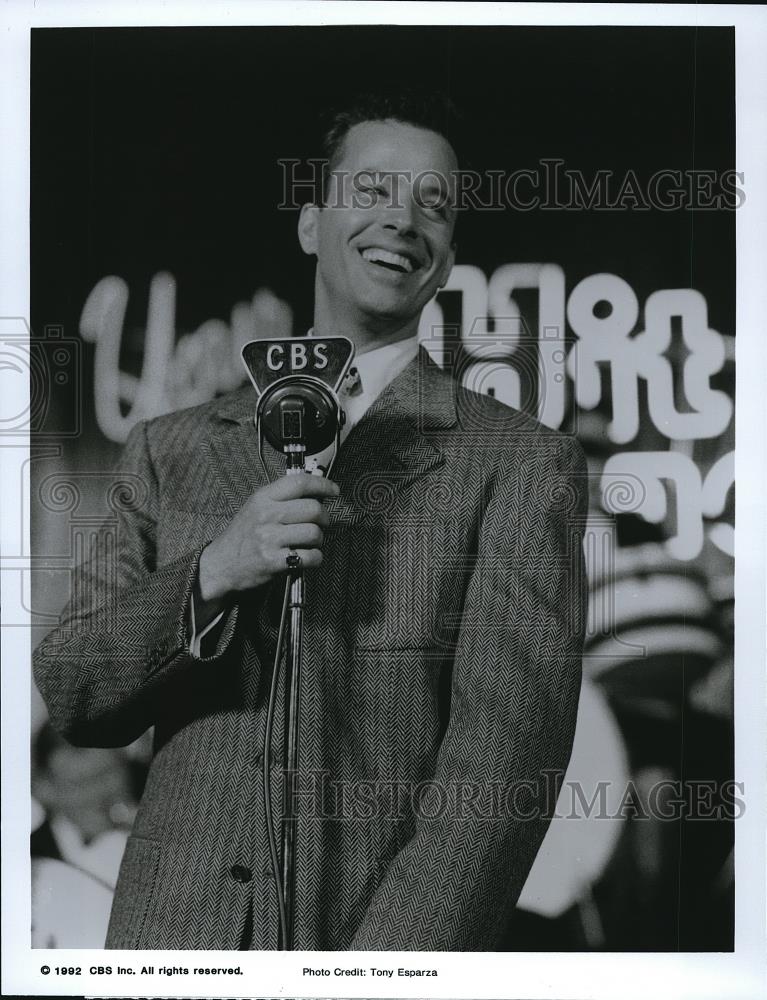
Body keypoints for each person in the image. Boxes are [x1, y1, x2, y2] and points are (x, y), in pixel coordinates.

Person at [34, 92, 588, 951]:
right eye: (372, 192)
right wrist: (212, 571)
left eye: (432, 205)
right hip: (170, 945)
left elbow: (500, 773)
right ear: (308, 225)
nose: (402, 220)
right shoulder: (169, 449)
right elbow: (74, 688)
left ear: (444, 259)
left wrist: (381, 973)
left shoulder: (519, 465)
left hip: (370, 940)